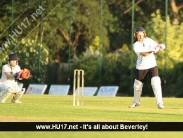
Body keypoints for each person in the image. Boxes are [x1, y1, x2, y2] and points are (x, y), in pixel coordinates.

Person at [129, 26, 165, 109]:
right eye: (138, 35)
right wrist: (153, 49)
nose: (140, 37)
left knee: (155, 83)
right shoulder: (136, 45)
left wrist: (160, 46)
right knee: (137, 86)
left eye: (141, 35)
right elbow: (144, 53)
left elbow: (157, 45)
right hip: (141, 67)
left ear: (144, 34)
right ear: (135, 35)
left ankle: (160, 103)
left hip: (152, 65)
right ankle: (136, 101)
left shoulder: (148, 40)